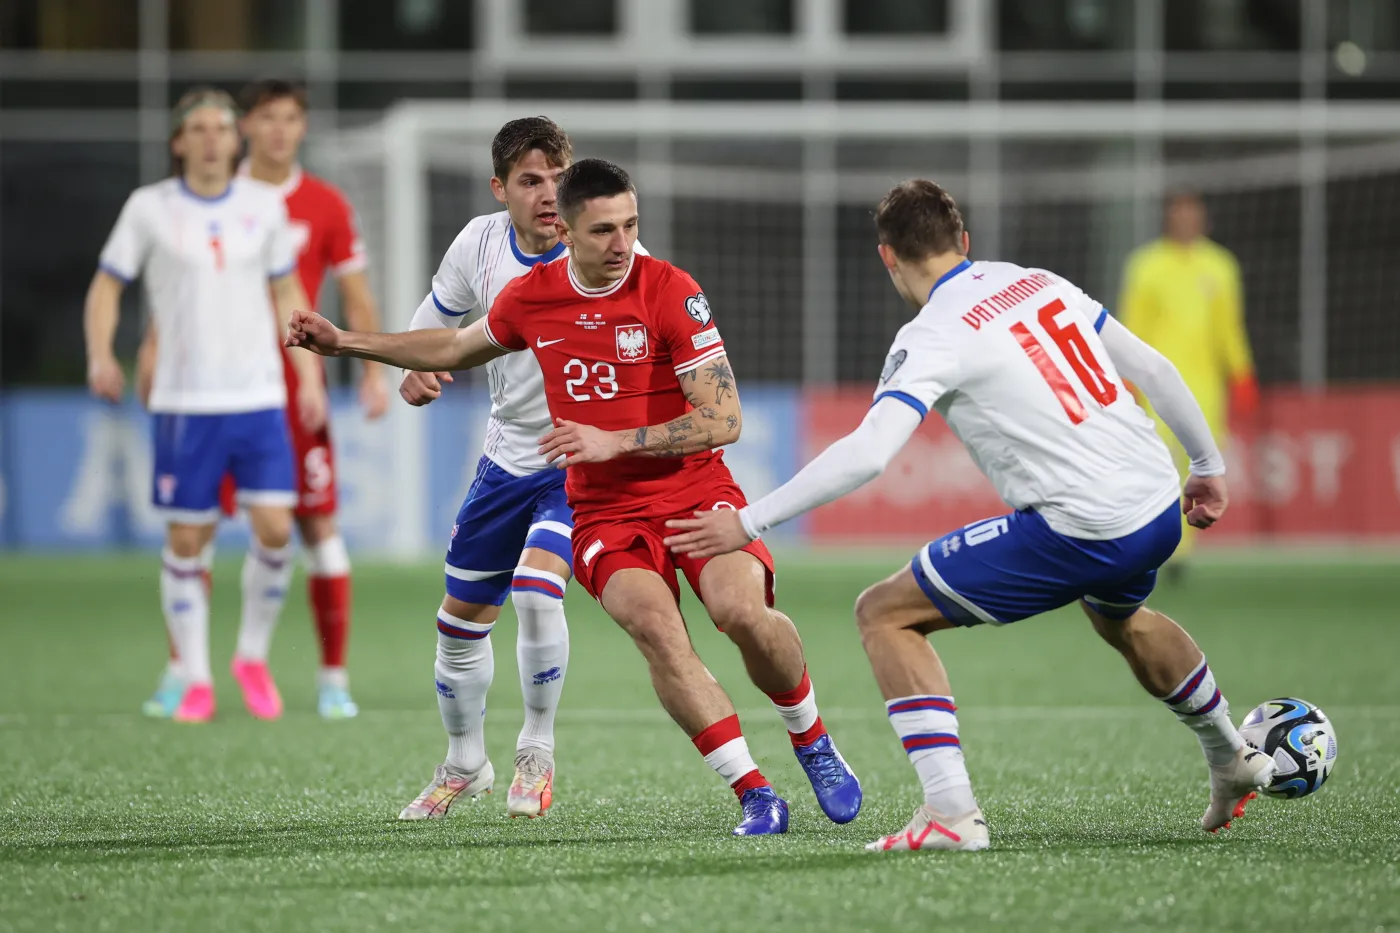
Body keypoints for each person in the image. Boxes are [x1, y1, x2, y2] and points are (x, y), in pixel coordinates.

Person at [663, 180, 1275, 852]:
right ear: (964, 241)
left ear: (888, 257)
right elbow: (1154, 369)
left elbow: (869, 453)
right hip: (1157, 503)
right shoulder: (1035, 280)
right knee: (1120, 617)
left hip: (1084, 525)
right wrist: (1207, 465)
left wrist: (749, 521)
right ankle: (1230, 753)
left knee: (884, 614)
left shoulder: (933, 333)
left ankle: (950, 813)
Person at [286, 159, 863, 837]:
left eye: (631, 225)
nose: (622, 243)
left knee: (741, 612)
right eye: (604, 230)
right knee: (657, 632)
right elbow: (456, 344)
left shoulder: (670, 289)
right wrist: (346, 342)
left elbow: (724, 417)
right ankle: (754, 792)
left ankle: (811, 736)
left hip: (693, 490)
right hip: (605, 512)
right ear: (566, 229)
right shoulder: (532, 297)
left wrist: (617, 440)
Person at [137, 79, 388, 721]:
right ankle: (182, 672)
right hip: (205, 388)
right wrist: (152, 349)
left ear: (303, 128)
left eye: (291, 118)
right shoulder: (204, 196)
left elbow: (355, 292)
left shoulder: (325, 204)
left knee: (313, 526)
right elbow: (177, 287)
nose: (280, 130)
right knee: (191, 530)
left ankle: (331, 678)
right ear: (244, 126)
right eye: (267, 118)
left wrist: (371, 370)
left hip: (292, 390)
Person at [85, 86, 327, 723]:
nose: (213, 139)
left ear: (235, 139)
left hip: (258, 395)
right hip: (184, 401)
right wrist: (101, 355)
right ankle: (195, 676)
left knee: (276, 529)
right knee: (188, 539)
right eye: (200, 129)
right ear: (179, 142)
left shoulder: (264, 206)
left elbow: (287, 292)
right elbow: (107, 286)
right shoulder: (150, 208)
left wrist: (307, 376)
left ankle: (251, 657)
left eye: (223, 128)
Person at [394, 116, 583, 820]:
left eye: (559, 179)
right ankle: (465, 760)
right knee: (458, 624)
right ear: (500, 188)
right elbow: (433, 321)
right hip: (505, 459)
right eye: (531, 181)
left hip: (577, 460)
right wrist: (412, 366)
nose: (549, 194)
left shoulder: (605, 247)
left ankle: (537, 750)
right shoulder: (478, 243)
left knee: (536, 589)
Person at [1118, 192, 1258, 578]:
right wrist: (1126, 376)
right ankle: (1155, 543)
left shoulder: (1220, 265)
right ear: (1168, 219)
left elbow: (1229, 326)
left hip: (1205, 384)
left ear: (1203, 219)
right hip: (1155, 381)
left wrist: (1242, 373)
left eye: (1192, 214)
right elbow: (1132, 324)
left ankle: (1180, 550)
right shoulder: (1146, 265)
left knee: (1200, 463)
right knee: (1157, 462)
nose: (1186, 221)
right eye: (1179, 214)